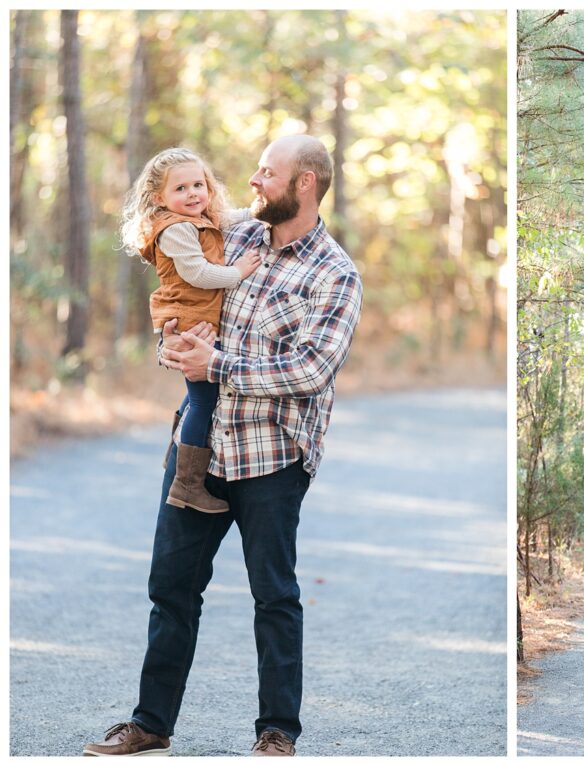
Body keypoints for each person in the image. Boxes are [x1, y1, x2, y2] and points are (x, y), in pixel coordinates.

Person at [84, 135, 362, 757]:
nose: (253, 182)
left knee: (274, 595)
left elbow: (311, 370)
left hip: (271, 459)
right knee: (171, 588)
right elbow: (184, 310)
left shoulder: (335, 274)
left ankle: (277, 732)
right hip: (198, 449)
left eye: (268, 173)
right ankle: (151, 723)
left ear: (306, 184)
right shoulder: (229, 239)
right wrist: (176, 348)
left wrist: (220, 365)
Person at [121, 148, 262, 513]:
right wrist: (239, 272)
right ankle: (187, 484)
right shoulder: (177, 229)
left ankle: (177, 453)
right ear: (160, 198)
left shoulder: (197, 218)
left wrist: (259, 211)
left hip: (194, 316)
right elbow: (198, 273)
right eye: (181, 188)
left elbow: (227, 219)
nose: (193, 194)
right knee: (202, 400)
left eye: (198, 184)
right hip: (188, 320)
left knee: (197, 396)